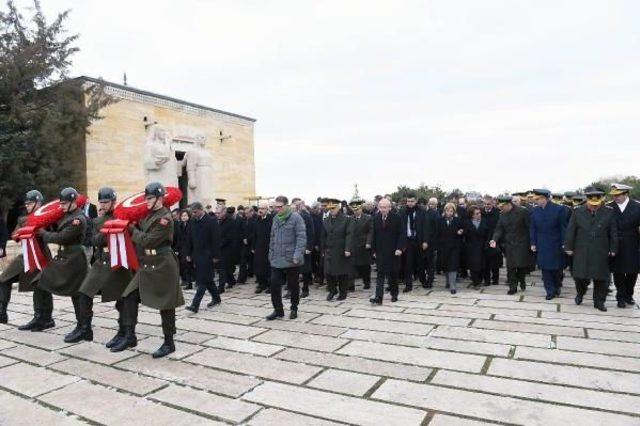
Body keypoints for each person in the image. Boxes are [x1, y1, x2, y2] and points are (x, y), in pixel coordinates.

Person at [112, 182, 185, 358]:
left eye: (150, 198)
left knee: (166, 304)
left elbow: (148, 241)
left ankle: (169, 342)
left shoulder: (164, 218)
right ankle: (130, 335)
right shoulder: (147, 214)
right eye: (146, 198)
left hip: (162, 264)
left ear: (160, 198)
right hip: (147, 264)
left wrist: (131, 229)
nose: (147, 201)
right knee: (128, 295)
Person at [78, 187, 133, 346]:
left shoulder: (122, 216)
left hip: (119, 261)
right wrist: (108, 229)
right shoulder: (96, 220)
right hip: (101, 261)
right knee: (84, 293)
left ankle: (124, 333)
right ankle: (85, 328)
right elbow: (94, 241)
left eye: (106, 202)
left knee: (122, 300)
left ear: (113, 202)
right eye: (101, 202)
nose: (102, 205)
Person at [38, 188, 89, 342]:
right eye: (61, 203)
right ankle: (44, 317)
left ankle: (83, 327)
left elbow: (62, 237)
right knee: (41, 282)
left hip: (74, 259)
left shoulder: (78, 219)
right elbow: (57, 229)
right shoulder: (65, 216)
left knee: (77, 294)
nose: (62, 206)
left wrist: (44, 234)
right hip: (64, 257)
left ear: (74, 202)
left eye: (65, 203)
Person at [0, 190, 52, 327]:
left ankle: (44, 317)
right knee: (3, 278)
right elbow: (14, 235)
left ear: (39, 203)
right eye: (26, 204)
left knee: (41, 285)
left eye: (30, 204)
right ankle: (2, 312)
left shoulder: (48, 217)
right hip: (25, 255)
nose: (27, 206)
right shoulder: (23, 219)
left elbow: (53, 231)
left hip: (41, 255)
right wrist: (21, 232)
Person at [565, 187, 617, 312]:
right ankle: (580, 293)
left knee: (600, 278)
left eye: (596, 205)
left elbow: (613, 232)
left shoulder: (609, 212)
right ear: (587, 200)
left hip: (601, 250)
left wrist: (613, 248)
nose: (594, 207)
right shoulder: (577, 211)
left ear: (601, 201)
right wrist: (568, 247)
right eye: (591, 204)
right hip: (582, 249)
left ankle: (599, 302)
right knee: (580, 277)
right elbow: (571, 231)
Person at [266, 195, 306, 320]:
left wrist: (297, 255)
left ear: (286, 206)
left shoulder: (296, 218)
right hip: (277, 258)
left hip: (291, 259)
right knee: (274, 284)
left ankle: (294, 308)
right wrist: (271, 254)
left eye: (279, 207)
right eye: (275, 207)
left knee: (293, 286)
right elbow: (272, 238)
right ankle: (278, 310)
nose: (277, 209)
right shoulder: (275, 219)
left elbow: (301, 238)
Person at [529, 189, 567, 300]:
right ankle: (549, 291)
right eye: (535, 199)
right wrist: (533, 242)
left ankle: (557, 287)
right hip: (542, 244)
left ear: (544, 198)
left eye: (538, 199)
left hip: (556, 244)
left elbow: (563, 227)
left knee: (557, 269)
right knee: (545, 269)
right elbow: (533, 228)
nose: (536, 201)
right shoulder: (535, 211)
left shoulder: (559, 209)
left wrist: (565, 242)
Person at [490, 195, 532, 295]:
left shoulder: (523, 212)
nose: (501, 208)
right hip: (509, 245)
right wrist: (494, 239)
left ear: (508, 204)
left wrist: (532, 242)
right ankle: (512, 287)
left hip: (522, 244)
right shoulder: (502, 215)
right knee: (511, 267)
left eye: (502, 206)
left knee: (521, 267)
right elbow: (499, 229)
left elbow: (530, 227)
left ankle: (521, 280)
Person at [185, 202, 222, 313]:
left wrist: (216, 255)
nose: (194, 214)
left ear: (201, 210)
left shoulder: (211, 221)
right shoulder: (192, 221)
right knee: (208, 280)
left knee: (202, 280)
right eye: (192, 213)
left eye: (195, 212)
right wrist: (188, 253)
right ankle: (217, 298)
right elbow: (189, 238)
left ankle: (195, 305)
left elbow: (216, 240)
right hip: (197, 254)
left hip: (208, 255)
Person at [607, 183, 640, 308]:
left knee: (633, 271)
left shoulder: (637, 206)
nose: (615, 198)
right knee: (618, 271)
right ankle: (620, 296)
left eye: (618, 195)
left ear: (626, 194)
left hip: (633, 244)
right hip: (616, 244)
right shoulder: (609, 207)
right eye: (614, 195)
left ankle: (629, 295)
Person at [369, 198, 404, 304]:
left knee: (393, 274)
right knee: (380, 274)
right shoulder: (376, 217)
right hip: (380, 251)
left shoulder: (397, 218)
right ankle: (379, 297)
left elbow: (401, 234)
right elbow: (373, 235)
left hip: (393, 251)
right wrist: (373, 250)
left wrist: (399, 248)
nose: (383, 209)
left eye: (385, 207)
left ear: (389, 207)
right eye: (381, 207)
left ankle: (394, 294)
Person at [321, 198, 354, 301]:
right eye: (330, 208)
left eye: (333, 208)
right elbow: (323, 236)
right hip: (329, 250)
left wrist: (347, 248)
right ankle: (332, 290)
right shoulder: (326, 220)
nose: (331, 210)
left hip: (341, 250)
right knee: (328, 272)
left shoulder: (347, 219)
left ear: (338, 207)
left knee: (341, 273)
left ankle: (343, 292)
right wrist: (322, 249)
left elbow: (349, 235)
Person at [400, 193, 430, 292]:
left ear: (416, 201)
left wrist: (425, 241)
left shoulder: (422, 211)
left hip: (419, 240)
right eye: (408, 201)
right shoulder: (403, 211)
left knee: (420, 263)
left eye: (412, 201)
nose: (410, 203)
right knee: (408, 264)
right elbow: (401, 228)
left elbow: (426, 227)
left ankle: (423, 280)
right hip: (408, 240)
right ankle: (408, 285)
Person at [437, 203, 465, 294]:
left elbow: (463, 229)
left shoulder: (457, 220)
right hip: (443, 247)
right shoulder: (440, 220)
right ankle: (448, 282)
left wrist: (461, 231)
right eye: (447, 211)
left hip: (454, 247)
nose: (449, 213)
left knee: (453, 265)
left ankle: (453, 286)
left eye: (451, 211)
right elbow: (436, 233)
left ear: (454, 212)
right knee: (445, 265)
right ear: (444, 211)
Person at [292, 198, 316, 298]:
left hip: (304, 246)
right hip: (293, 247)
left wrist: (308, 247)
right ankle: (292, 290)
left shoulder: (306, 216)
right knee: (293, 270)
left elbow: (311, 233)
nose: (296, 206)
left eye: (298, 205)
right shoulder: (289, 217)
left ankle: (305, 289)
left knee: (305, 270)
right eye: (294, 205)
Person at [464, 206, 490, 288]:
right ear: (472, 215)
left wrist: (487, 243)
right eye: (477, 213)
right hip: (471, 247)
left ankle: (481, 279)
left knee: (482, 265)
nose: (479, 215)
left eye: (480, 213)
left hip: (483, 246)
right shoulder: (467, 223)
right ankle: (475, 282)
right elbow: (465, 234)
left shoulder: (485, 221)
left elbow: (489, 233)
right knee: (473, 265)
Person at [350, 201, 373, 289]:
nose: (355, 211)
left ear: (361, 209)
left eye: (357, 209)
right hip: (353, 246)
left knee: (364, 266)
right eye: (354, 209)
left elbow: (370, 231)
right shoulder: (350, 219)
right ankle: (350, 285)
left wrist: (368, 242)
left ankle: (367, 282)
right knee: (352, 266)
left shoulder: (368, 218)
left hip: (363, 246)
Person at [252, 201, 274, 294]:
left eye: (263, 209)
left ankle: (270, 285)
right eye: (259, 208)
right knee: (259, 266)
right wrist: (253, 246)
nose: (260, 210)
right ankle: (261, 284)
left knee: (268, 267)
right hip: (259, 247)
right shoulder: (257, 219)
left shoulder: (271, 219)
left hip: (269, 247)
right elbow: (254, 234)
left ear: (267, 209)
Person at [216, 206, 237, 293]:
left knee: (222, 268)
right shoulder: (216, 220)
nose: (217, 215)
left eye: (219, 213)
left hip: (228, 248)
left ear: (224, 212)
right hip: (219, 247)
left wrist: (219, 244)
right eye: (216, 213)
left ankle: (221, 287)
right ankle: (231, 281)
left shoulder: (230, 221)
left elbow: (229, 237)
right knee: (225, 267)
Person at [481, 196, 501, 285]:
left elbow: (499, 227)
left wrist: (496, 239)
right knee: (485, 261)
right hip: (484, 239)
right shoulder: (481, 212)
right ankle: (487, 280)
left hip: (494, 239)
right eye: (485, 204)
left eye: (488, 204)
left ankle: (495, 279)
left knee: (495, 261)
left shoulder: (497, 213)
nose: (486, 206)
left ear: (492, 203)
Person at [176, 209, 194, 290]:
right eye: (182, 216)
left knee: (191, 266)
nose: (183, 217)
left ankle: (194, 282)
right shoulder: (180, 225)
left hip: (190, 248)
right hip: (183, 248)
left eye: (185, 215)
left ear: (188, 216)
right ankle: (188, 283)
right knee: (185, 266)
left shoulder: (191, 224)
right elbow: (179, 238)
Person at [424, 197, 439, 287]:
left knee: (430, 263)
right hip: (427, 241)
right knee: (428, 263)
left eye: (433, 204)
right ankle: (429, 280)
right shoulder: (428, 213)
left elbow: (436, 230)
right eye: (430, 203)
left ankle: (430, 281)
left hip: (431, 242)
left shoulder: (436, 213)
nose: (431, 205)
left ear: (436, 204)